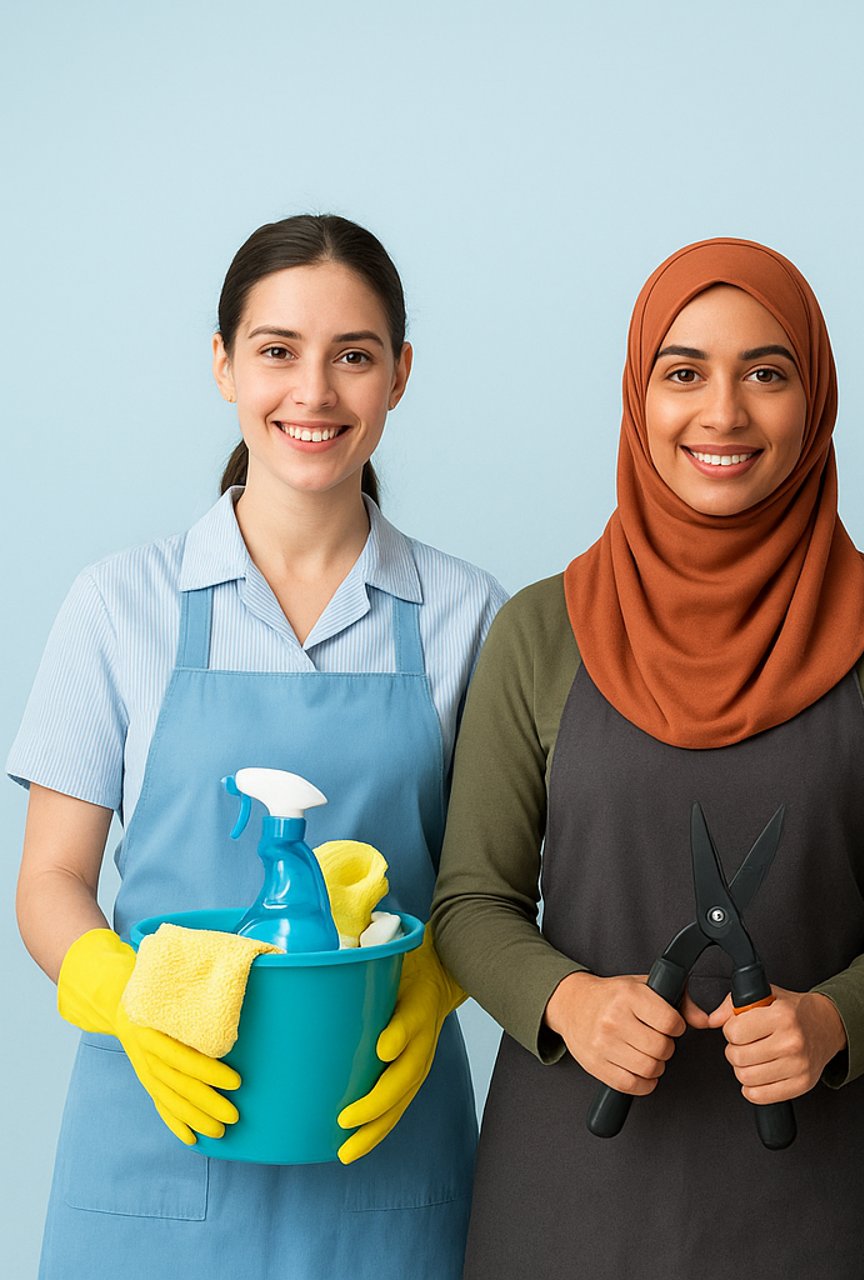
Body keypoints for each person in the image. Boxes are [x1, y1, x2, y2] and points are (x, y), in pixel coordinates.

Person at [430, 237, 864, 1279]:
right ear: (641, 399)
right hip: (570, 1191)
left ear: (814, 398)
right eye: (683, 372)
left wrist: (833, 1018)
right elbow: (469, 902)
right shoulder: (541, 630)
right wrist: (569, 1002)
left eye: (766, 373)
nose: (723, 412)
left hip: (825, 1190)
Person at [10, 214, 504, 1277]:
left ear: (400, 374)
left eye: (354, 356)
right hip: (153, 1146)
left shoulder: (470, 617)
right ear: (225, 364)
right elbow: (50, 878)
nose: (314, 393)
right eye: (277, 350)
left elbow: (497, 881)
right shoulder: (117, 606)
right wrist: (127, 1000)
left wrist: (436, 987)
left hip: (383, 1143)